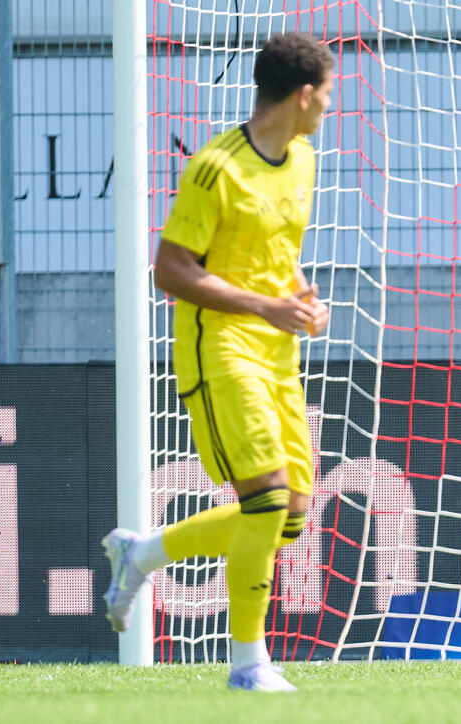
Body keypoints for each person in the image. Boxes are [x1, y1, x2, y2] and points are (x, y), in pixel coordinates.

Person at [101, 32, 334, 692]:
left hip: (277, 355)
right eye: (328, 96)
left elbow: (276, 261)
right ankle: (248, 664)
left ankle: (142, 553)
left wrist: (302, 305)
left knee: (288, 514)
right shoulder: (214, 169)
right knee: (263, 502)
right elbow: (170, 270)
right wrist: (263, 307)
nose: (328, 110)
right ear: (304, 93)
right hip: (221, 351)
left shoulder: (305, 161)